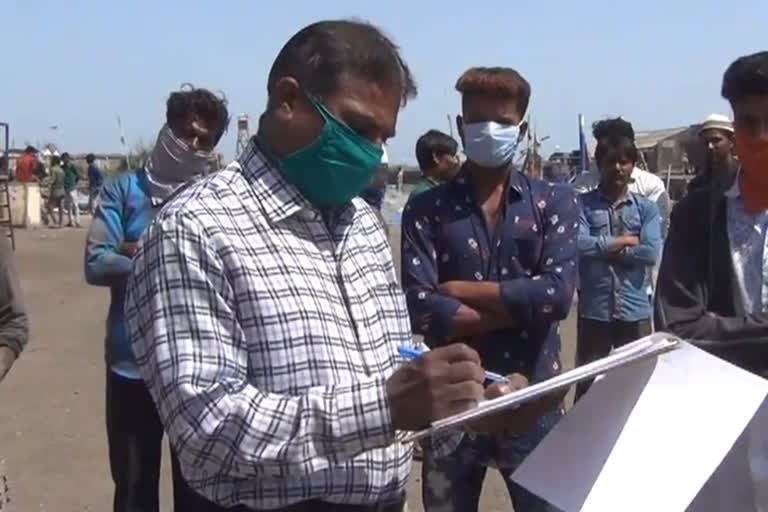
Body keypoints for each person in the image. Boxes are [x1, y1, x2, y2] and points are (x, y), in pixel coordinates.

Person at [124, 21, 537, 512]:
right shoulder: (193, 230)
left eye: (382, 136)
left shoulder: (362, 225)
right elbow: (207, 430)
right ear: (287, 100)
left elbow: (393, 362)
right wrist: (382, 410)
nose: (372, 152)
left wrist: (463, 401)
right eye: (359, 128)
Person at [402, 66, 577, 512]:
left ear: (520, 130)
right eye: (478, 123)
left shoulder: (552, 202)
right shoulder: (426, 210)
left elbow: (558, 295)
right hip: (452, 404)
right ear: (460, 127)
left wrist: (460, 289)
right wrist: (521, 304)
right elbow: (421, 303)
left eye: (501, 123)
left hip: (532, 399)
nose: (488, 132)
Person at [84, 85, 230, 512]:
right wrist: (171, 256)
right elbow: (96, 263)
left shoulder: (215, 201)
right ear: (168, 130)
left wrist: (137, 248)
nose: (193, 144)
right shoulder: (122, 190)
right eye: (186, 133)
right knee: (132, 489)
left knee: (199, 492)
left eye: (205, 140)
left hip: (200, 371)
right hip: (130, 366)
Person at [656, 51, 768, 378]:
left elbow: (705, 329)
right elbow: (680, 326)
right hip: (726, 404)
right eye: (749, 123)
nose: (761, 137)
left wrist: (722, 326)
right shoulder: (696, 214)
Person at [575, 119, 662, 399]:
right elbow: (579, 245)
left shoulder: (646, 208)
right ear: (599, 164)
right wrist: (624, 241)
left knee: (638, 386)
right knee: (587, 386)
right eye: (611, 162)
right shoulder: (582, 205)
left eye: (625, 162)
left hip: (634, 309)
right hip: (595, 310)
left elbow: (650, 252)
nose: (618, 169)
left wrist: (606, 250)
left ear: (632, 165)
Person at [687, 113, 738, 194]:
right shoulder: (696, 185)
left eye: (716, 140)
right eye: (706, 141)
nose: (710, 146)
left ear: (731, 141)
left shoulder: (743, 180)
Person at [408, 129, 459, 201]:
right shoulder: (425, 195)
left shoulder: (433, 190)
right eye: (453, 155)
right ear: (437, 157)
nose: (456, 161)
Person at [43, 155, 66, 228]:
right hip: (62, 190)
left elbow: (52, 179)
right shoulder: (61, 170)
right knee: (61, 208)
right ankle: (61, 223)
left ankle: (55, 222)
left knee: (49, 207)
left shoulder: (53, 169)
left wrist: (45, 183)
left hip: (55, 190)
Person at [61, 152, 81, 227]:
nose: (64, 160)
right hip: (66, 188)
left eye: (65, 158)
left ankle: (77, 221)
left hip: (72, 188)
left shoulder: (72, 166)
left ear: (68, 158)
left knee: (75, 205)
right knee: (68, 206)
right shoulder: (62, 167)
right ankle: (71, 221)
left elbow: (78, 176)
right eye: (63, 159)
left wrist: (74, 183)